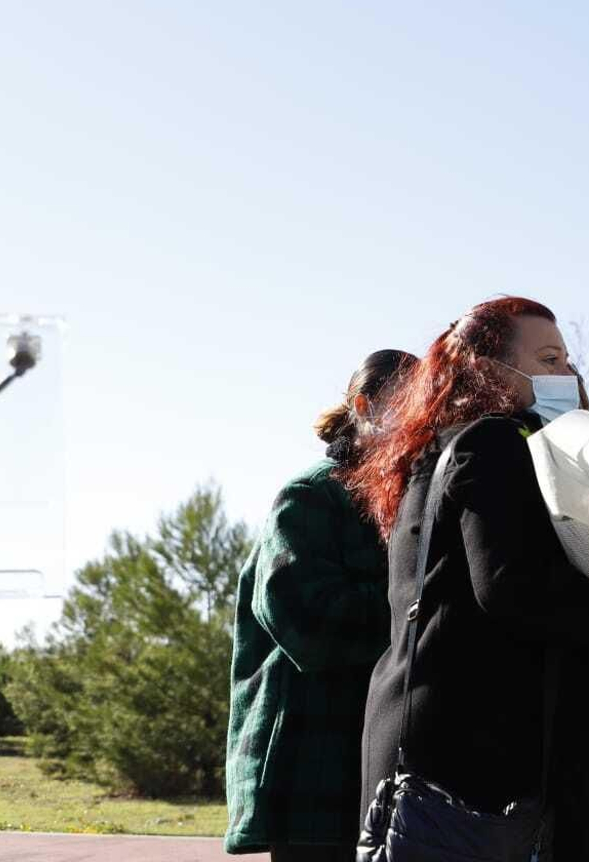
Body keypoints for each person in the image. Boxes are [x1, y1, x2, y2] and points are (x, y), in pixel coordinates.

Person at [350, 297, 589, 861]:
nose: (569, 375)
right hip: (470, 776)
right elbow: (511, 585)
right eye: (551, 358)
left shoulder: (443, 450)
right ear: (488, 369)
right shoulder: (491, 444)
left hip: (453, 764)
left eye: (566, 359)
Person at [225, 348, 417, 861]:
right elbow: (307, 621)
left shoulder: (403, 498)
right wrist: (423, 612)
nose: (425, 420)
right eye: (412, 403)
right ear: (363, 404)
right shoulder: (310, 495)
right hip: (312, 767)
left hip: (375, 766)